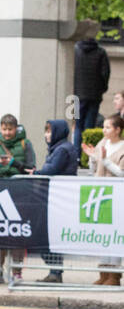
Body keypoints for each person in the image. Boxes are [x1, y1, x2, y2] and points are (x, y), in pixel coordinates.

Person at [0, 114, 37, 282]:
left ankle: (16, 272)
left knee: (17, 234)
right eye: (4, 129)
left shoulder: (25, 144)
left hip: (19, 195)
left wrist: (14, 163)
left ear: (16, 129)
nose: (6, 133)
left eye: (10, 129)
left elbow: (31, 167)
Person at [32, 119, 79, 282]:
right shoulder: (57, 148)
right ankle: (54, 270)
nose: (47, 135)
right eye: (46, 131)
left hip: (56, 200)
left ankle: (55, 271)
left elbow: (50, 170)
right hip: (52, 198)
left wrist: (36, 173)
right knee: (46, 235)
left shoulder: (62, 150)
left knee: (46, 235)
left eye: (50, 131)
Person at [85, 114, 123, 285]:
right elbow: (94, 167)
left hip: (117, 197)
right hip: (101, 194)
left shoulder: (122, 148)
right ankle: (103, 272)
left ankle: (114, 275)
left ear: (117, 130)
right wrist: (92, 158)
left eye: (108, 127)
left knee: (115, 234)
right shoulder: (102, 143)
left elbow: (121, 172)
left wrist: (106, 161)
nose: (104, 130)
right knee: (103, 234)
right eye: (104, 127)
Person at [73, 34, 112, 153]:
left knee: (78, 126)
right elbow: (105, 73)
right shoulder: (101, 52)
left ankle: (76, 154)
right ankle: (87, 155)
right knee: (89, 126)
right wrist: (102, 89)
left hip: (77, 95)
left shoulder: (75, 50)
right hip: (94, 95)